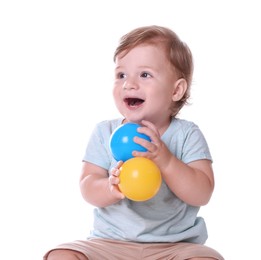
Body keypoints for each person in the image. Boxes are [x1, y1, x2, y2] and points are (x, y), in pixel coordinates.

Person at [44, 25, 224, 260]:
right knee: (61, 254)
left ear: (176, 90)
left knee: (206, 258)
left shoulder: (187, 134)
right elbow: (87, 185)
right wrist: (110, 187)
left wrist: (166, 160)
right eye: (121, 75)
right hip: (109, 243)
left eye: (145, 74)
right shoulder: (104, 132)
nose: (129, 84)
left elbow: (202, 193)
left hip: (173, 247)